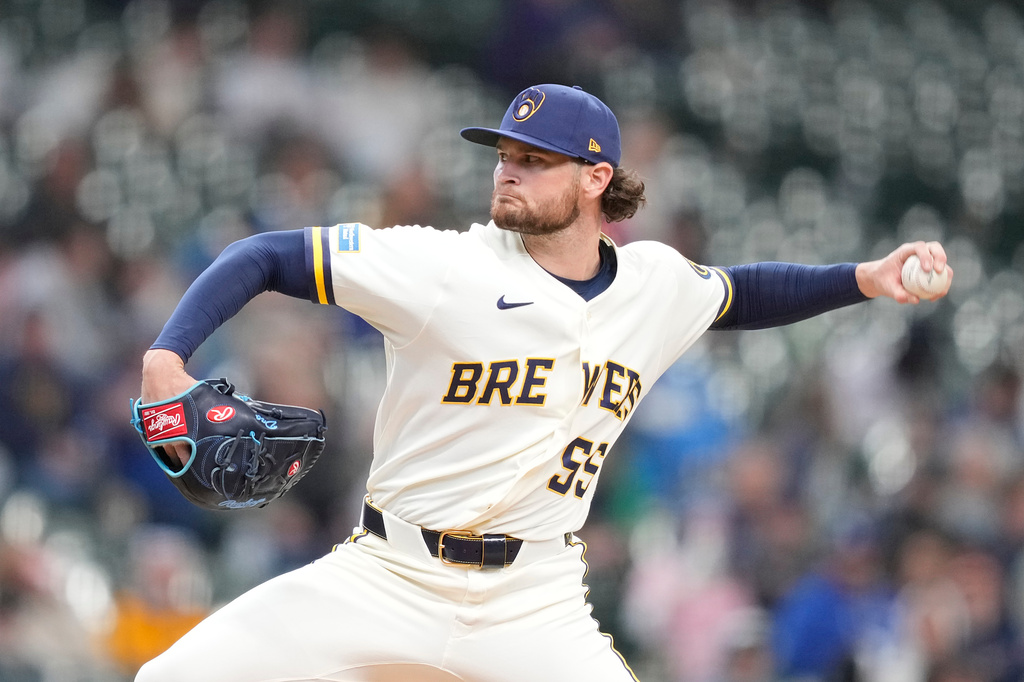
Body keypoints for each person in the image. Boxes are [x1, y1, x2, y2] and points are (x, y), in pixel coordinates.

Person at [135, 83, 952, 681]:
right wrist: (168, 358)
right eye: (505, 157)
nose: (508, 173)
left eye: (535, 160)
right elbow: (266, 255)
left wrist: (865, 278)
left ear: (597, 179)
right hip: (388, 572)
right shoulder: (443, 264)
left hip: (535, 597)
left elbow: (744, 292)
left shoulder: (654, 285)